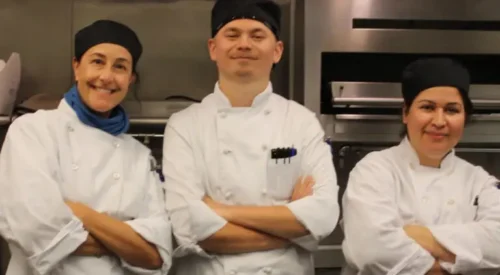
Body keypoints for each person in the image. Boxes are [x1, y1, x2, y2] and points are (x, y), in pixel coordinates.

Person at [162, 0, 339, 274]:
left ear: (277, 50)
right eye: (232, 34)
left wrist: (220, 212)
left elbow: (324, 215)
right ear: (213, 48)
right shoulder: (184, 125)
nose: (244, 44)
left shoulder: (301, 121)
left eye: (257, 35)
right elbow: (186, 225)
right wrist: (291, 227)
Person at [0, 19, 172, 275]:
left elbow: (156, 254)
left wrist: (81, 213)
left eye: (120, 66)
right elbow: (34, 231)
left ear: (130, 79)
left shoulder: (139, 155)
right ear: (76, 67)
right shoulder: (32, 131)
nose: (106, 76)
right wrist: (125, 238)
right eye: (97, 61)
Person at [341, 57, 500, 275]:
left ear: (464, 117)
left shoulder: (479, 181)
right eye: (427, 107)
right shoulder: (374, 170)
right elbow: (372, 252)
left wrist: (418, 235)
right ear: (406, 113)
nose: (439, 121)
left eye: (452, 110)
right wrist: (463, 262)